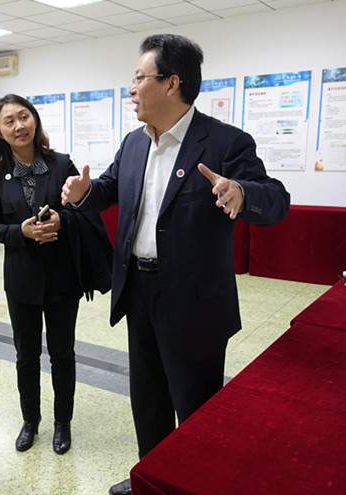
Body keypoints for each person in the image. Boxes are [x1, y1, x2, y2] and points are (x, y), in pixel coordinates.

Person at [61, 34, 291, 495]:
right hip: (138, 290)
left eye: (139, 78)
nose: (131, 89)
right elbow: (109, 188)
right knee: (147, 399)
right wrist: (85, 194)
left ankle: (194, 484)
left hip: (194, 301)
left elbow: (277, 200)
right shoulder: (134, 143)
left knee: (195, 405)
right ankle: (151, 480)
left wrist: (242, 192)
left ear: (172, 83)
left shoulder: (225, 142)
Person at [0, 94, 111, 456]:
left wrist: (60, 220)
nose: (18, 126)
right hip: (21, 280)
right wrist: (21, 233)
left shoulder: (60, 164)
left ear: (35, 120)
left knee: (62, 354)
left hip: (62, 278)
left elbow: (82, 212)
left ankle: (62, 422)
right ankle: (30, 421)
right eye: (9, 121)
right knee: (26, 356)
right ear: (0, 131)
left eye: (24, 117)